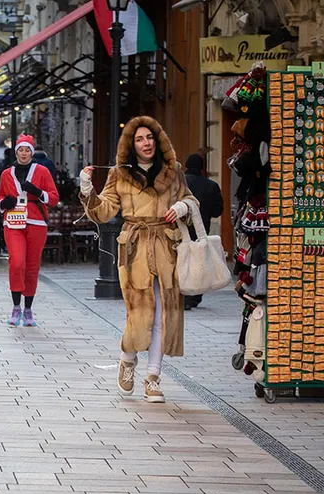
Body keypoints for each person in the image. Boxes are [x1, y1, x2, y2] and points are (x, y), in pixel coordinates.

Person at [80, 116, 198, 403]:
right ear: (131, 145)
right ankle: (127, 358)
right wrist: (86, 190)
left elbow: (192, 200)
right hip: (134, 248)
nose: (146, 143)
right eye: (139, 139)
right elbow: (105, 211)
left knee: (164, 314)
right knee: (140, 312)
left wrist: (182, 206)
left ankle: (153, 378)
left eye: (150, 138)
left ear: (158, 141)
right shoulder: (119, 174)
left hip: (167, 247)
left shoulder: (174, 171)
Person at [0, 134, 60, 327]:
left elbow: (54, 198)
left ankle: (28, 309)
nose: (23, 153)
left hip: (36, 221)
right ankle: (16, 307)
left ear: (32, 152)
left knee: (32, 267)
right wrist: (3, 203)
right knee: (16, 263)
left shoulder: (42, 171)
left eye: (27, 150)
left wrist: (38, 192)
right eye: (20, 150)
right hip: (13, 221)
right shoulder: (7, 173)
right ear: (16, 152)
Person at [182, 153, 224, 310]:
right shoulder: (211, 185)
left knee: (183, 260)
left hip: (181, 230)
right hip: (201, 230)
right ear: (202, 168)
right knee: (199, 261)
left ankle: (182, 292)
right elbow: (217, 211)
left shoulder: (179, 184)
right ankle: (194, 295)